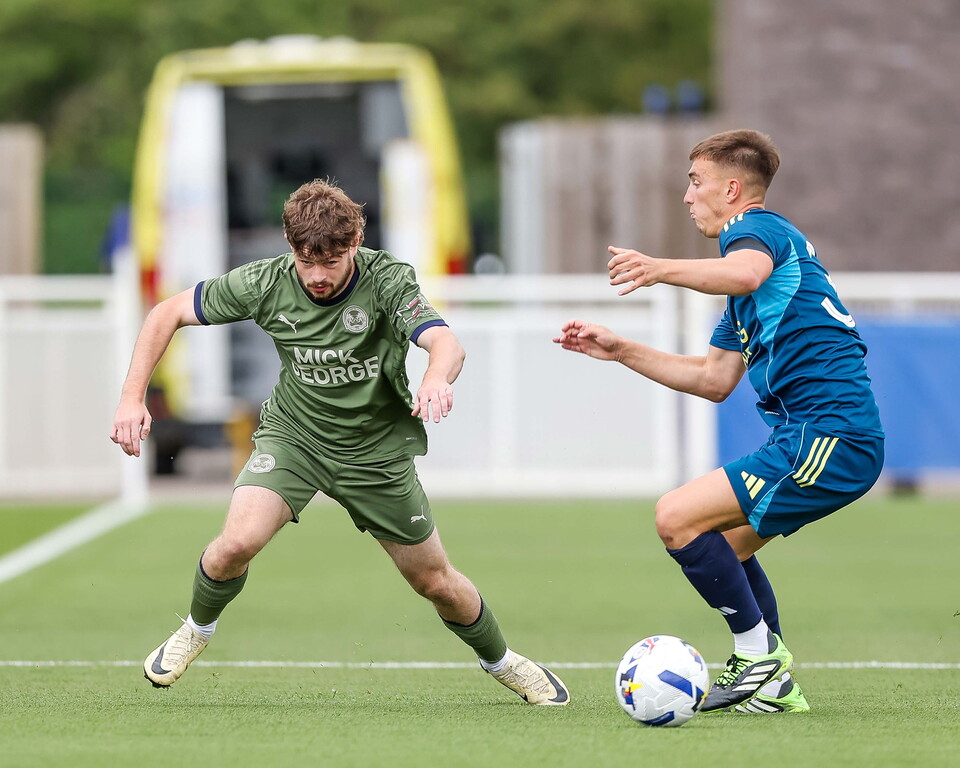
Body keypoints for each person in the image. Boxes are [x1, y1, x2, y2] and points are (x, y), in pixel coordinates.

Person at [111, 179, 569, 706]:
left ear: (355, 243)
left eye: (331, 262)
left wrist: (435, 377)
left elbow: (446, 343)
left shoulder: (387, 279)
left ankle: (504, 661)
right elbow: (165, 313)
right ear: (291, 247)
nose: (317, 275)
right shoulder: (265, 282)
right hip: (295, 439)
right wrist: (131, 398)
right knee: (235, 544)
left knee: (436, 582)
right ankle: (197, 627)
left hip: (376, 453)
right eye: (307, 261)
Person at [554, 129, 883, 714]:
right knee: (724, 545)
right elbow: (713, 379)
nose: (687, 196)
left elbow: (745, 273)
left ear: (732, 189)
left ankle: (758, 660)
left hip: (830, 435)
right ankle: (775, 686)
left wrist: (657, 268)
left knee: (674, 516)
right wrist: (622, 349)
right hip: (820, 436)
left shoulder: (755, 231)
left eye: (695, 181)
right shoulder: (743, 289)